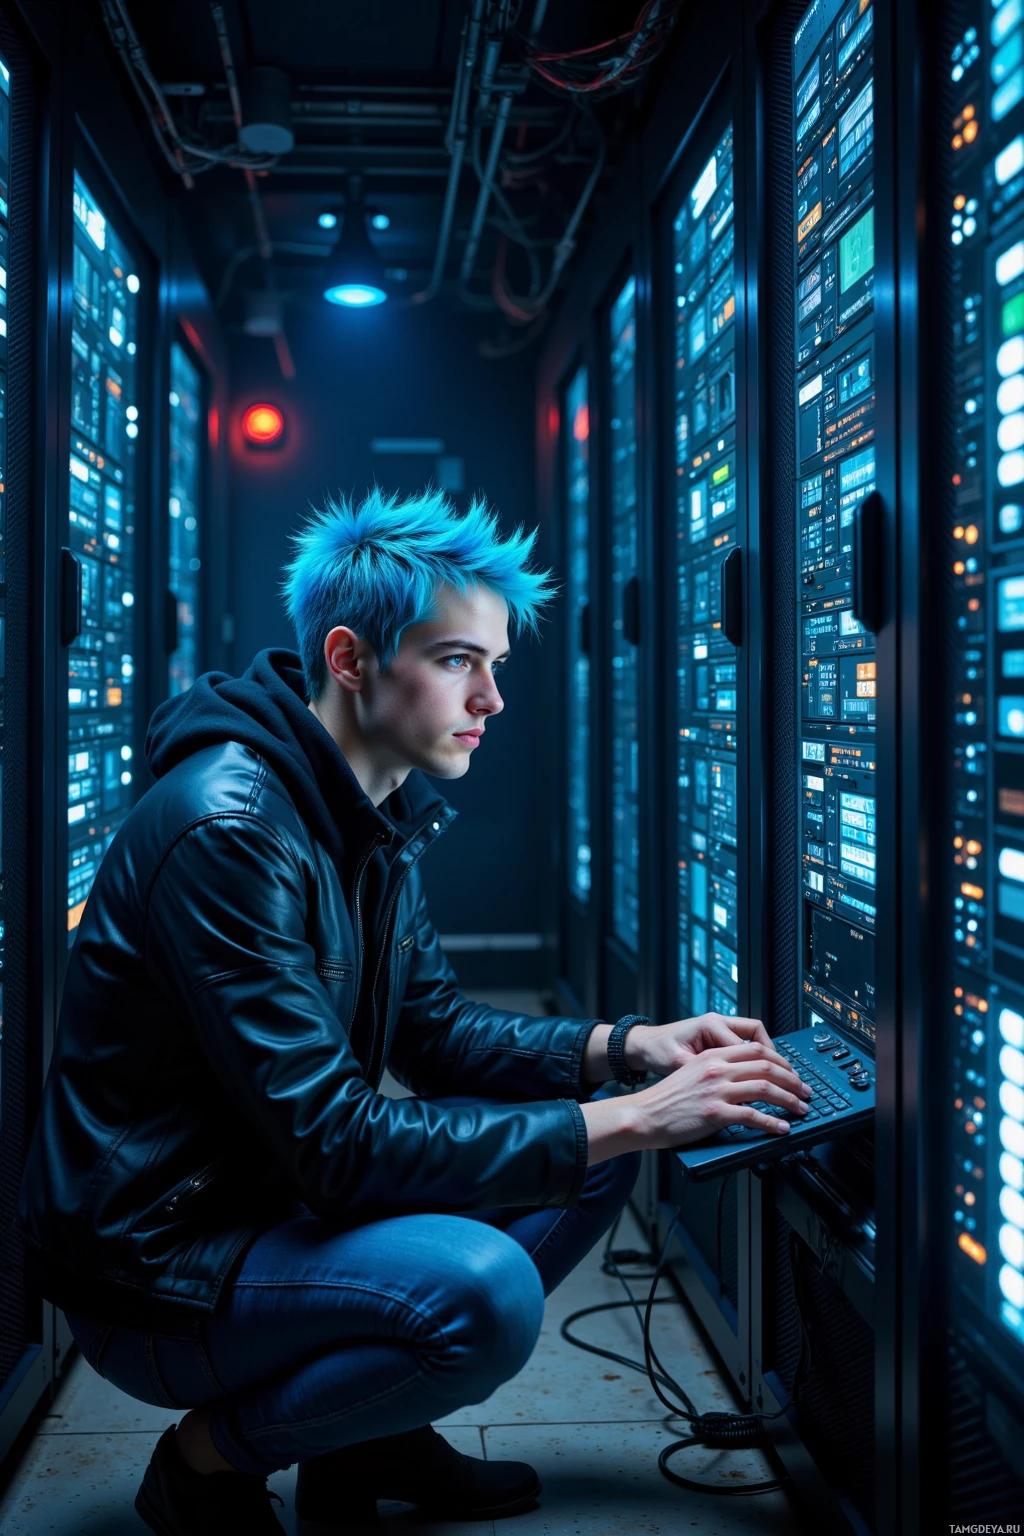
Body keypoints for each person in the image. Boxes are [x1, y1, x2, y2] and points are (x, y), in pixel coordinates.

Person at [17, 488, 810, 1535]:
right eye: (456, 660)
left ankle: (366, 1437)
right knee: (485, 1290)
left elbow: (436, 1032)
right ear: (350, 659)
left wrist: (626, 1048)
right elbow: (337, 1146)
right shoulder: (230, 829)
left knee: (599, 1145)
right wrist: (635, 1114)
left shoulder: (365, 804)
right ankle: (202, 1466)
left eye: (496, 664)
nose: (491, 698)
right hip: (161, 1269)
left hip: (264, 1205)